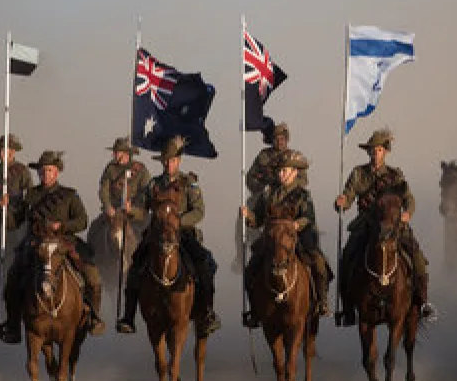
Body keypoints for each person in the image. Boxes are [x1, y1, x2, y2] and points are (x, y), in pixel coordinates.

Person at [116, 136, 222, 336]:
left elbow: (199, 211)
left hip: (183, 234)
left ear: (178, 161)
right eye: (165, 160)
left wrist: (179, 221)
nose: (168, 163)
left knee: (204, 265)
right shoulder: (153, 185)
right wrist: (131, 211)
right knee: (135, 265)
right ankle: (128, 316)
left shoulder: (189, 183)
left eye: (172, 160)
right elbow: (144, 210)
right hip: (156, 235)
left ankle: (207, 312)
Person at [0, 150, 105, 343]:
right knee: (12, 279)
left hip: (64, 243)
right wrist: (4, 209)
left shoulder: (69, 195)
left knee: (92, 277)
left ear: (57, 172)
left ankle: (94, 318)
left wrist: (62, 226)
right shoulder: (31, 195)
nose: (45, 174)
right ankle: (13, 325)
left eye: (49, 170)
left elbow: (82, 221)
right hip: (35, 244)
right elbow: (14, 223)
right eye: (42, 171)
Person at [334, 128, 433, 326]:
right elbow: (349, 196)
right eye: (371, 150)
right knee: (347, 257)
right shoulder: (358, 174)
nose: (374, 153)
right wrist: (342, 202)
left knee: (416, 255)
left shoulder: (395, 176)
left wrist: (407, 214)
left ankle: (422, 302)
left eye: (378, 150)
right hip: (367, 224)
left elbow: (409, 199)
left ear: (385, 151)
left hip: (393, 224)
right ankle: (347, 308)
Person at [240, 150, 330, 327]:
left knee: (319, 262)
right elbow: (258, 219)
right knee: (251, 268)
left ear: (295, 172)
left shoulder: (303, 195)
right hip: (272, 240)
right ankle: (255, 311)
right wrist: (248, 215)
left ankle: (321, 302)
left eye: (285, 170)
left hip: (297, 238)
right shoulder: (268, 194)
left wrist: (296, 225)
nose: (281, 174)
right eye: (279, 170)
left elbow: (308, 216)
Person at [236, 123, 307, 272]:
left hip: (291, 196)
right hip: (266, 195)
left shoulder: (294, 157)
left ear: (287, 140)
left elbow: (303, 180)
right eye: (276, 138)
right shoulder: (264, 156)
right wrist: (262, 189)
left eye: (283, 138)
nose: (280, 141)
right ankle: (239, 254)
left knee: (315, 259)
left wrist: (288, 183)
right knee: (244, 214)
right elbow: (250, 178)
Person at [88, 136, 152, 247]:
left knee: (149, 232)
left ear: (126, 153)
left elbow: (146, 192)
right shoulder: (110, 169)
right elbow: (104, 190)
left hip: (135, 212)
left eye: (117, 152)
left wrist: (132, 207)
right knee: (94, 230)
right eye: (115, 152)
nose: (114, 155)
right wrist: (108, 206)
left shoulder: (141, 170)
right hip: (113, 211)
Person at [0, 133, 33, 261]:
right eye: (0, 150)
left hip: (16, 222)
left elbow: (30, 197)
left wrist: (12, 202)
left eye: (5, 150)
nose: (1, 153)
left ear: (13, 152)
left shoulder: (22, 171)